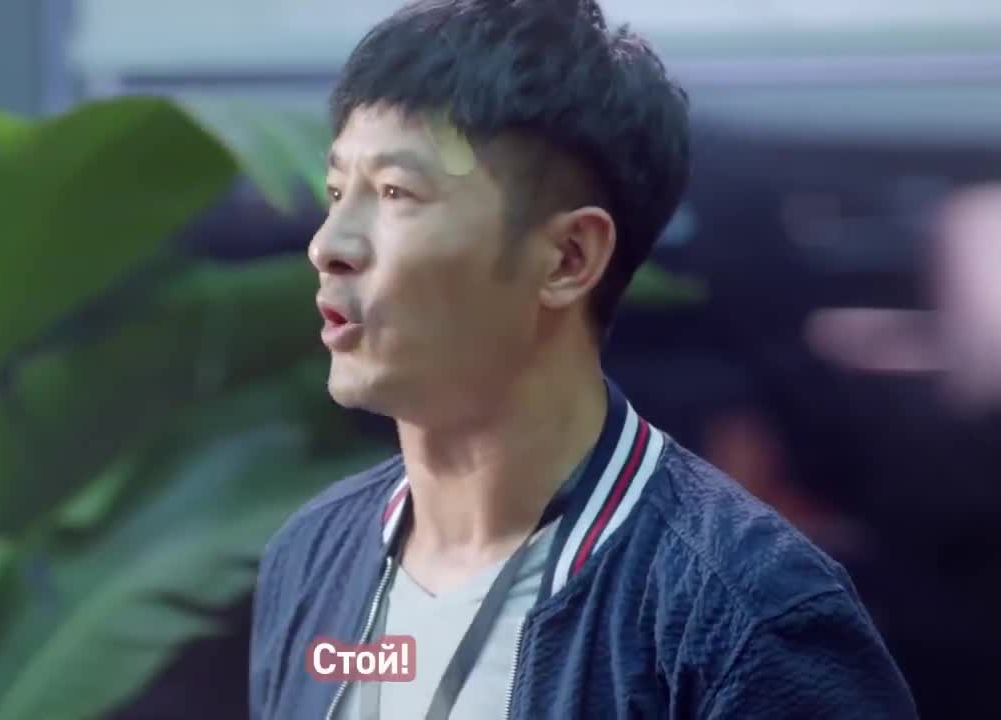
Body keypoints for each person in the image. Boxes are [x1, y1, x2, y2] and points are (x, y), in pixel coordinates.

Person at [248, 1, 919, 718]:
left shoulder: (746, 610)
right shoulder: (314, 554)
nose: (328, 245)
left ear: (568, 259)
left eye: (394, 194)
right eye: (336, 192)